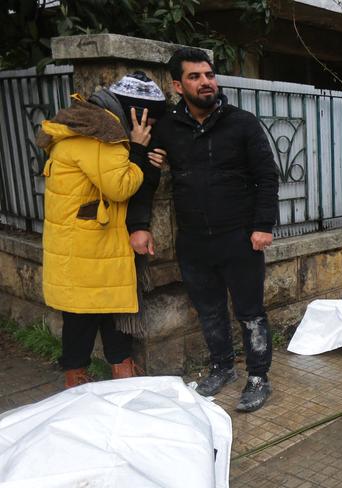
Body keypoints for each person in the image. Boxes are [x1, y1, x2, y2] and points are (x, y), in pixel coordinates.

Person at [128, 48, 279, 412]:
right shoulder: (167, 129)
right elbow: (145, 179)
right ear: (177, 85)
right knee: (208, 310)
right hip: (194, 240)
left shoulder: (241, 122)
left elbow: (266, 175)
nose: (206, 82)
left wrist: (262, 226)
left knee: (250, 312)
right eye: (195, 77)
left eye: (209, 75)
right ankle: (222, 367)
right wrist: (139, 226)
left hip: (240, 238)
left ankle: (258, 378)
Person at [37, 72, 167, 388]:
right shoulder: (101, 135)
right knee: (95, 313)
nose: (150, 127)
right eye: (148, 118)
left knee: (93, 311)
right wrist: (138, 151)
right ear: (135, 112)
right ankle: (104, 379)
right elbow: (120, 186)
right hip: (90, 243)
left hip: (78, 241)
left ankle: (84, 379)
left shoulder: (82, 125)